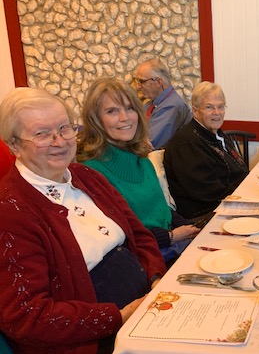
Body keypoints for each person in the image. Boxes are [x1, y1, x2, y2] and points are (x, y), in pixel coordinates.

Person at [0, 88, 166, 354]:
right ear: (14, 145)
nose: (60, 141)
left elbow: (139, 235)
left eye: (65, 128)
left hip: (143, 311)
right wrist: (116, 317)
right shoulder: (10, 211)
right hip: (86, 351)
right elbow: (25, 315)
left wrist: (157, 279)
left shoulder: (85, 176)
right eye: (42, 134)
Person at [77, 77, 200, 264]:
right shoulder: (91, 172)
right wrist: (171, 236)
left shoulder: (142, 159)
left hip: (172, 246)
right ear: (95, 120)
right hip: (145, 261)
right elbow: (120, 238)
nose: (124, 117)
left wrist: (190, 227)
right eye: (112, 111)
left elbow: (161, 209)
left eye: (129, 108)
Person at [164, 81, 249, 221]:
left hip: (231, 200)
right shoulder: (186, 142)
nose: (217, 112)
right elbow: (207, 192)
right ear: (195, 111)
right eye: (209, 107)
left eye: (220, 107)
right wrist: (247, 193)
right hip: (206, 214)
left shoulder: (216, 133)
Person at [133, 58, 192, 149]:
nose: (138, 87)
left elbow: (150, 144)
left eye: (142, 82)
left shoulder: (172, 106)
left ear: (158, 82)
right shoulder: (150, 104)